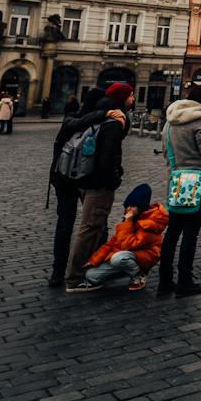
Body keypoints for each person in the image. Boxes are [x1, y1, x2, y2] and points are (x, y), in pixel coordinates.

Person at [62, 82, 134, 289]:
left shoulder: (100, 113)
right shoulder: (112, 122)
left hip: (86, 178)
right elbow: (107, 158)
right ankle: (74, 278)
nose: (133, 99)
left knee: (94, 227)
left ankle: (90, 269)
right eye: (130, 96)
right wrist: (113, 180)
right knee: (89, 229)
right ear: (122, 98)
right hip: (98, 183)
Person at [160, 85, 201, 296]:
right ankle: (185, 281)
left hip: (176, 180)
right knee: (191, 233)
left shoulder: (171, 117)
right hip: (195, 182)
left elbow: (164, 148)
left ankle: (164, 280)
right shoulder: (200, 118)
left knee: (172, 232)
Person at [71, 184, 168, 293]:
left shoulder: (149, 224)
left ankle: (140, 274)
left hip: (143, 257)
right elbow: (112, 243)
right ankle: (127, 270)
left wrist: (128, 223)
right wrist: (94, 260)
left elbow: (129, 245)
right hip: (124, 256)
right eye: (128, 206)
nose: (129, 209)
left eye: (133, 206)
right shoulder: (132, 219)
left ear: (141, 207)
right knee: (91, 275)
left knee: (118, 259)